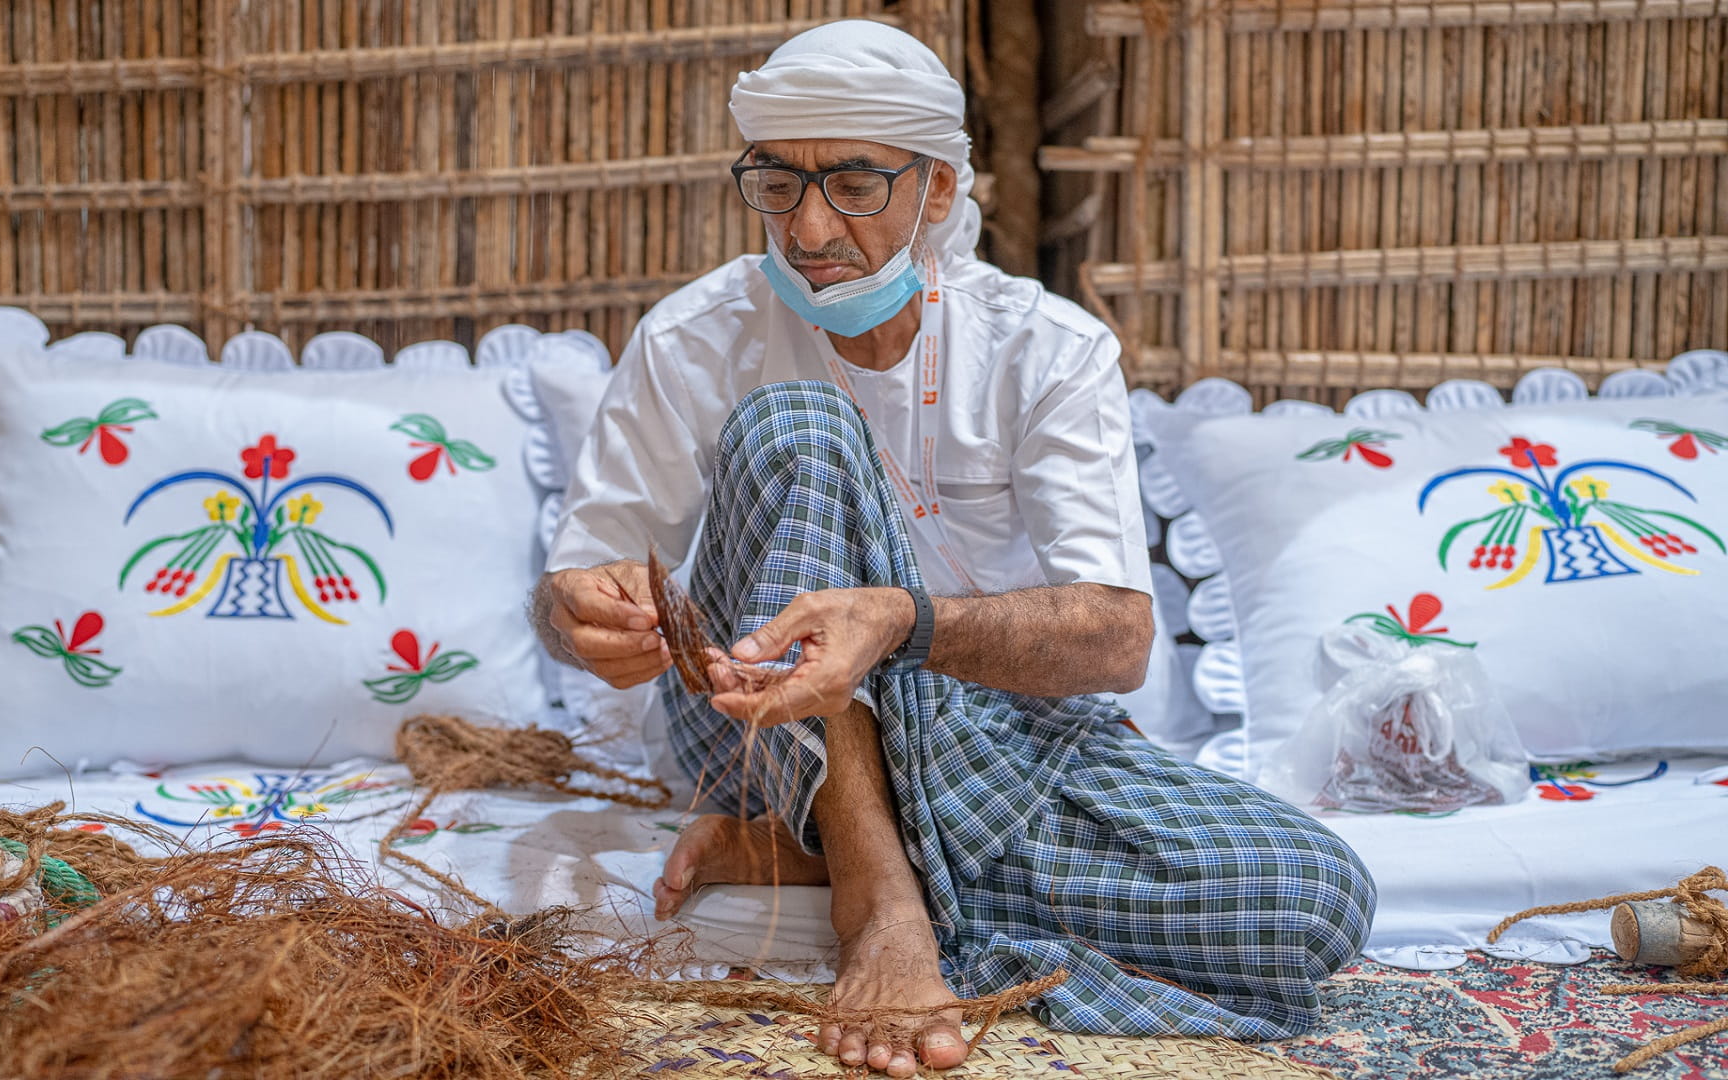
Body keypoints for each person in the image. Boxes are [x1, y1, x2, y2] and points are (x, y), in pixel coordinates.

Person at [532, 19, 1376, 1079]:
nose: (807, 225)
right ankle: (880, 904)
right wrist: (580, 619)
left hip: (984, 735)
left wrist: (900, 621)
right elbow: (577, 586)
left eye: (853, 183)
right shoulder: (695, 336)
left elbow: (1116, 643)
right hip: (753, 730)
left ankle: (815, 853)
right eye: (778, 183)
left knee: (1314, 899)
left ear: (937, 191)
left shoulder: (1047, 350)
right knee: (797, 426)